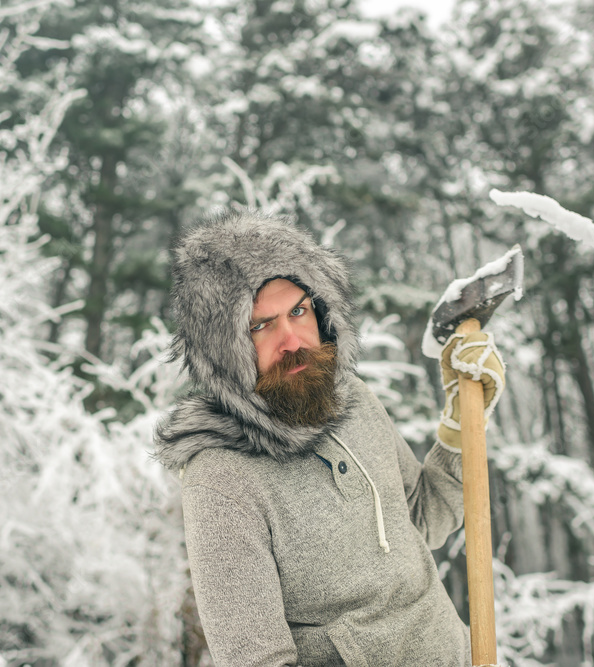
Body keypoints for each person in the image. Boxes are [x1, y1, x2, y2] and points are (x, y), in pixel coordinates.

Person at [154, 209, 505, 666]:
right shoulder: (222, 480)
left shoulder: (352, 400)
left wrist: (460, 425)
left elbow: (421, 517)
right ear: (224, 350)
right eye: (261, 325)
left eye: (298, 311)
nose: (291, 340)